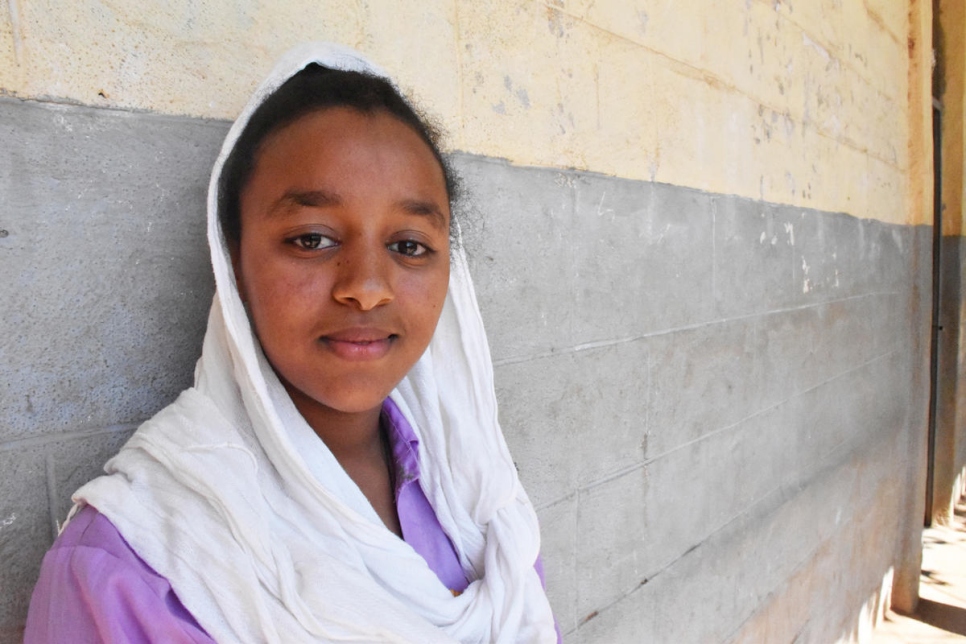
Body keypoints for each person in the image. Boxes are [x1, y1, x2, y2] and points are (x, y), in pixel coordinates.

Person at [25, 42, 557, 643]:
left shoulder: (476, 488)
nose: (367, 288)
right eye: (312, 239)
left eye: (409, 245)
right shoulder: (131, 570)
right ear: (234, 266)